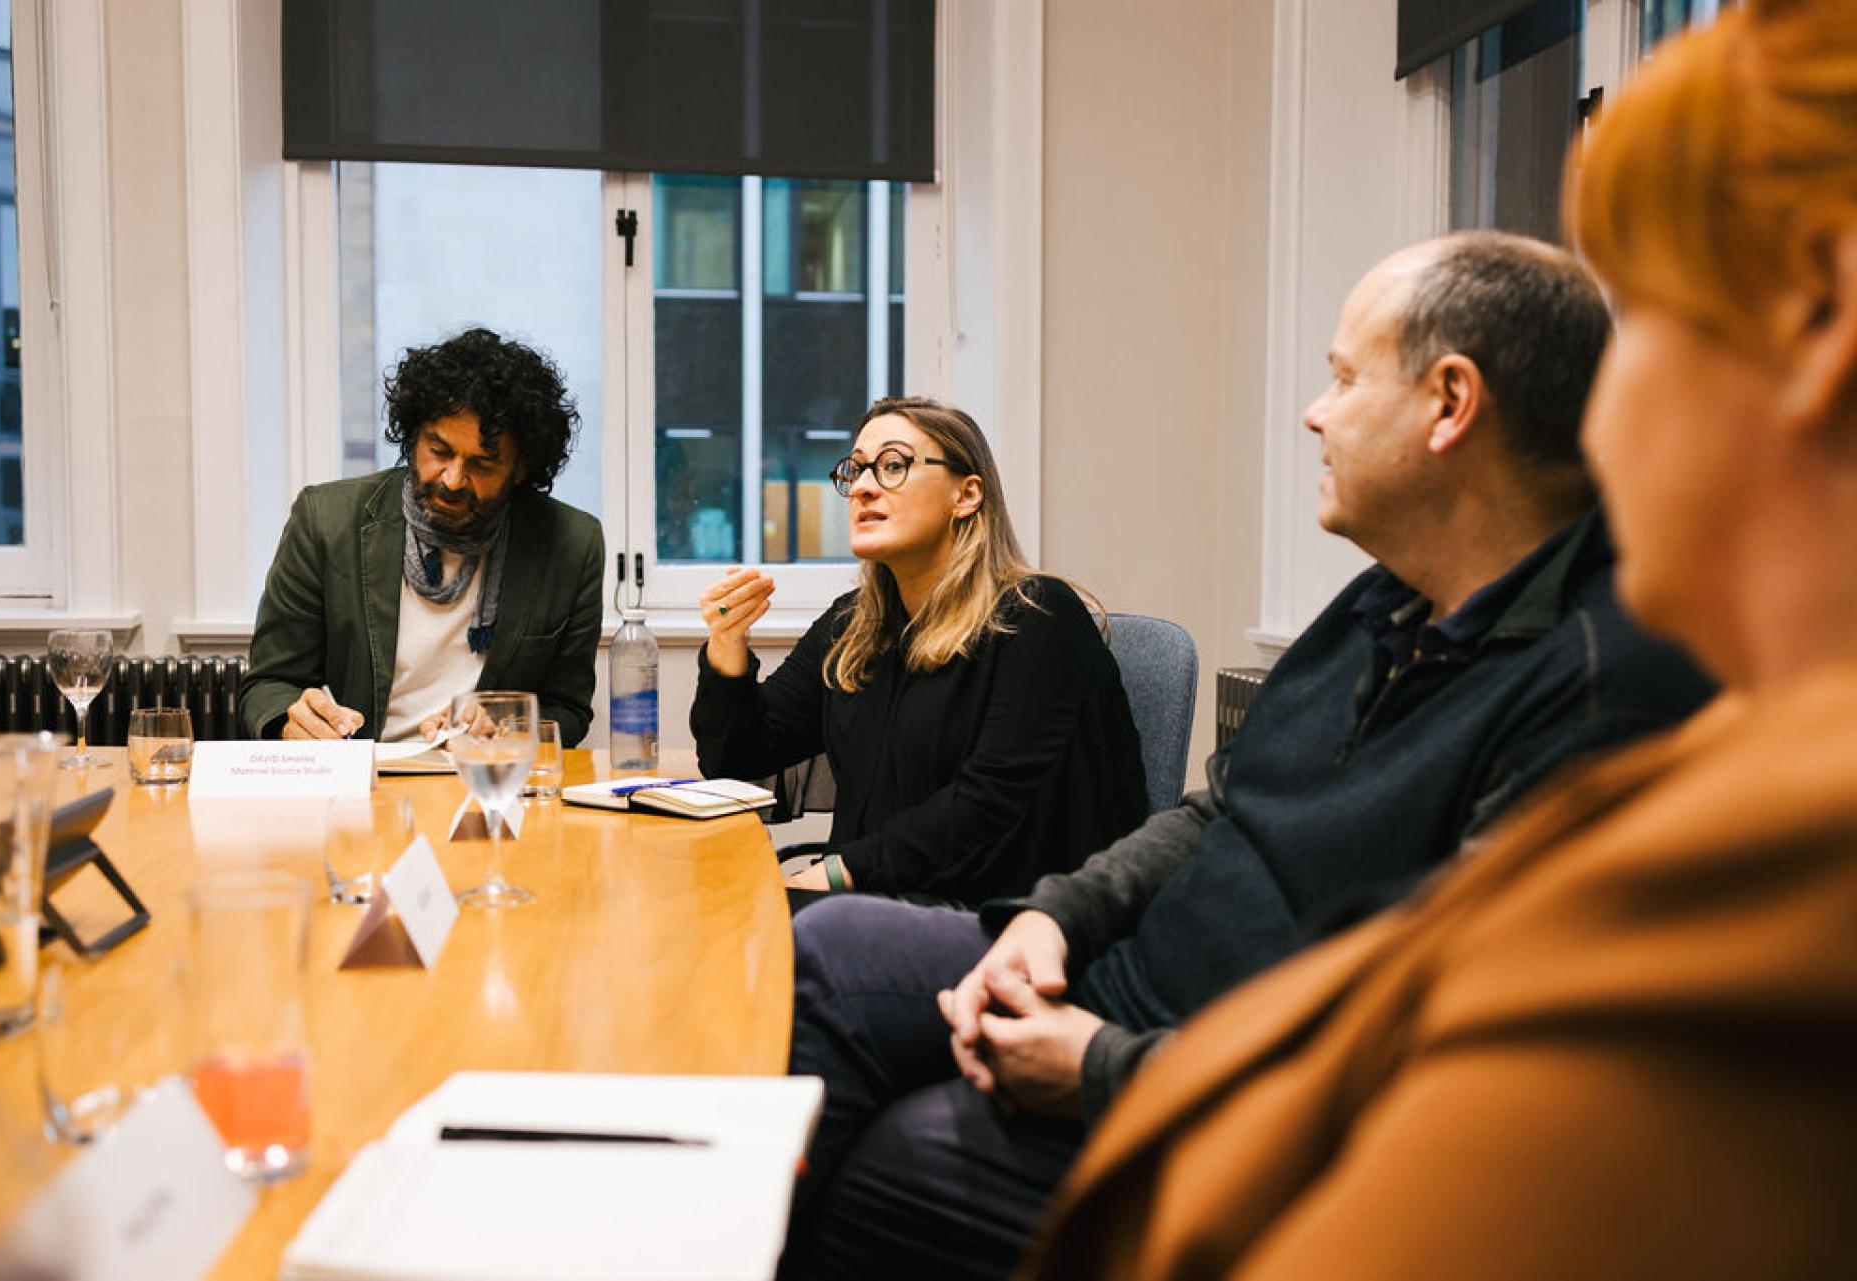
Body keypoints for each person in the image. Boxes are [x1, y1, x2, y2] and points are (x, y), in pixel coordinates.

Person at [1022, 3, 1857, 1278]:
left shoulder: (1747, 842)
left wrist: (1098, 1067)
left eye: (1650, 320)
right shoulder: (1731, 765)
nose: (1598, 409)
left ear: (1819, 323)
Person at [780, 233, 1718, 1279]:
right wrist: (1054, 917)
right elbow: (1214, 809)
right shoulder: (1386, 598)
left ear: (1450, 405)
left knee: (892, 1165)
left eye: (1345, 379)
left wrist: (1101, 1070)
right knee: (835, 952)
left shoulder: (1597, 688)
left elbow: (1432, 1064)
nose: (1316, 412)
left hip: (1222, 1080)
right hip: (1123, 984)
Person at [690, 396, 1148, 908]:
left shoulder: (1039, 616)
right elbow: (737, 758)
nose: (862, 487)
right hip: (875, 899)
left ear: (966, 495)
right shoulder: (854, 624)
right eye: (856, 470)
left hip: (1000, 918)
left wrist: (839, 873)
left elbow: (984, 807)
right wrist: (728, 642)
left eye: (893, 466)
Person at [241, 328, 604, 744]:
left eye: (482, 465)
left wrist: (505, 725)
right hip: (364, 783)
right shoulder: (327, 521)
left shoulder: (571, 545)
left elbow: (568, 710)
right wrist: (293, 724)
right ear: (414, 437)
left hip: (484, 782)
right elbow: (267, 686)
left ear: (521, 468)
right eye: (439, 451)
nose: (451, 480)